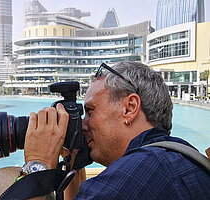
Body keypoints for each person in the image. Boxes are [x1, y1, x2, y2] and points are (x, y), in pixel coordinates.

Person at [23, 61, 210, 199]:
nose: (82, 125)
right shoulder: (185, 157)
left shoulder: (132, 176)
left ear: (129, 108)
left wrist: (38, 163)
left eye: (90, 111)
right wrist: (75, 161)